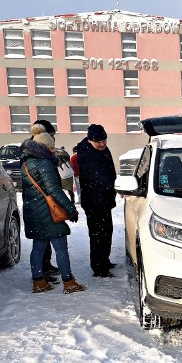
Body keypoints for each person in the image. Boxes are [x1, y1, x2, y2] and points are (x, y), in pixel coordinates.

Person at [20, 124, 85, 294]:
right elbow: (54, 190)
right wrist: (70, 208)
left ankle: (38, 281)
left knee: (38, 247)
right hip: (48, 212)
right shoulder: (44, 163)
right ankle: (68, 281)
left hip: (33, 210)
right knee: (61, 247)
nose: (54, 151)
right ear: (44, 149)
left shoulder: (26, 162)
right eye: (51, 148)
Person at [76, 124, 117, 278]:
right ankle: (98, 267)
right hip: (94, 201)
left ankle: (105, 260)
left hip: (104, 199)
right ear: (90, 140)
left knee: (107, 231)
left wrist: (113, 187)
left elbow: (111, 171)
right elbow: (98, 177)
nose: (102, 144)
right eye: (98, 142)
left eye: (104, 141)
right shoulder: (86, 154)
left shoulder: (103, 150)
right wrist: (112, 185)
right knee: (98, 234)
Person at [23, 119, 60, 281]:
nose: (53, 138)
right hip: (41, 203)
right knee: (41, 243)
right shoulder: (35, 155)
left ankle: (45, 268)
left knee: (43, 242)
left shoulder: (36, 151)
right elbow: (44, 182)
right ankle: (40, 275)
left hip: (41, 202)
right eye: (51, 135)